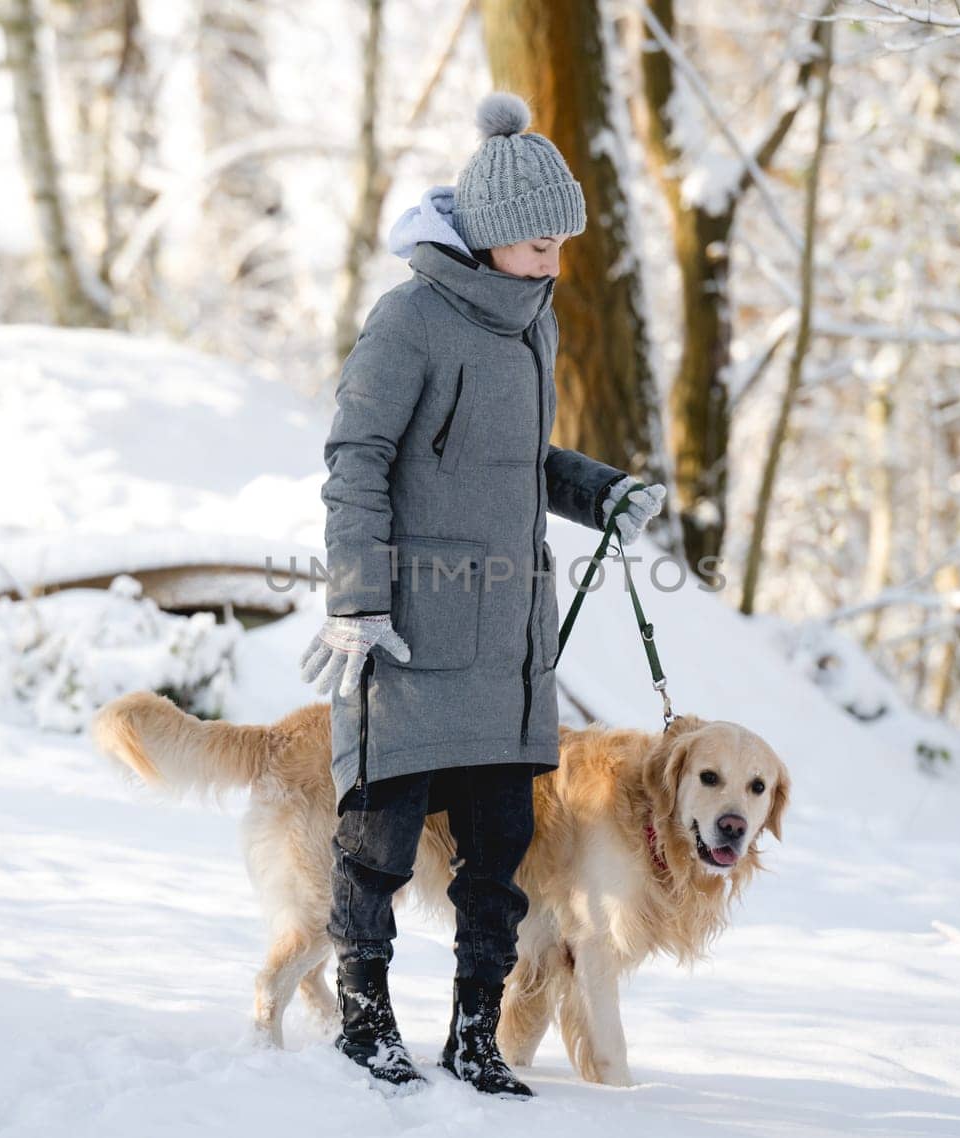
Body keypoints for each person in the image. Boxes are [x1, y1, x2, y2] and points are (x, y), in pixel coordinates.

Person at [298, 91, 668, 1097]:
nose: (554, 260)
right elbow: (356, 458)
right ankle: (365, 1022)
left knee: (500, 853)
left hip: (506, 639)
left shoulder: (531, 327)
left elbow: (517, 463)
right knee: (376, 841)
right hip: (407, 636)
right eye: (538, 243)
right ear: (493, 235)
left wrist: (601, 492)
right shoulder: (409, 319)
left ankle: (474, 1036)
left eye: (562, 243)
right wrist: (357, 599)